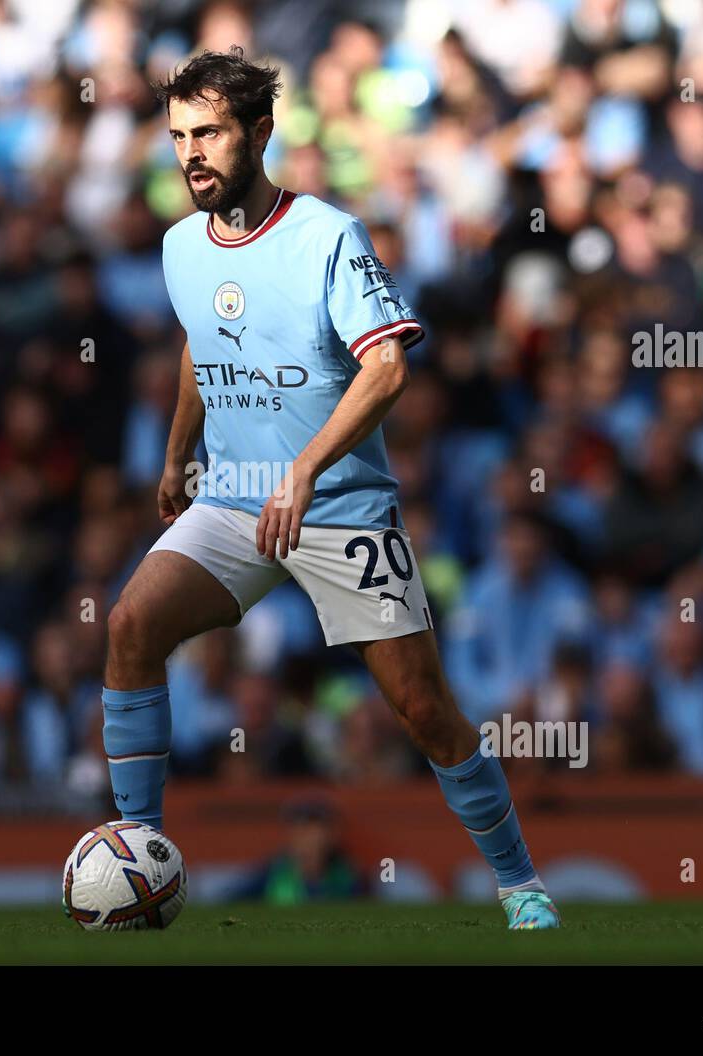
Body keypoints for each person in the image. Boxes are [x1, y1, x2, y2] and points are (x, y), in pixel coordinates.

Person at [100, 47, 560, 930]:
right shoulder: (180, 245)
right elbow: (201, 344)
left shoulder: (328, 236)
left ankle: (521, 885)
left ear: (260, 133)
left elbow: (386, 369)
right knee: (128, 627)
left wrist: (306, 470)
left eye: (209, 133)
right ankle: (141, 862)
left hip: (339, 504)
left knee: (425, 711)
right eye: (178, 137)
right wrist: (174, 455)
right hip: (233, 501)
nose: (191, 153)